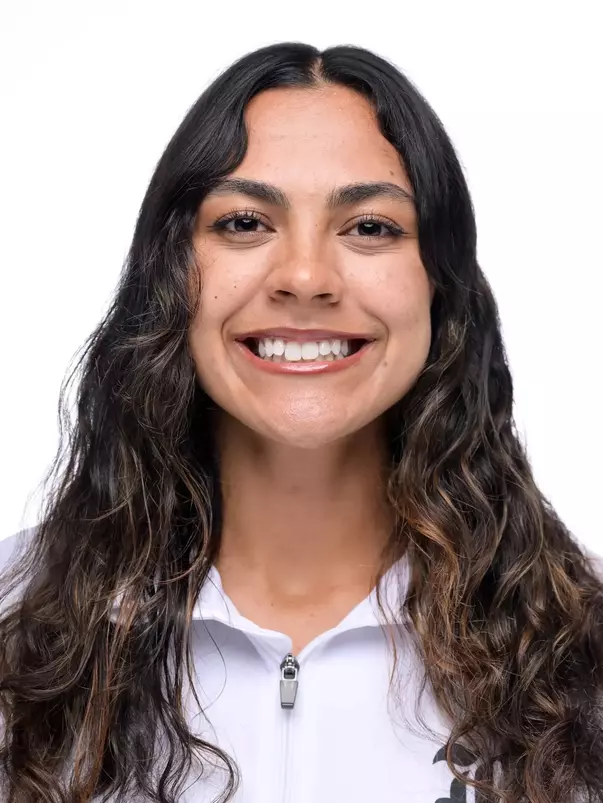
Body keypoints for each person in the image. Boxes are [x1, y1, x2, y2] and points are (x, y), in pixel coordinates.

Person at [1, 41, 602, 803]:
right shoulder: (12, 624)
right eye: (246, 221)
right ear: (169, 275)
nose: (306, 277)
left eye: (371, 227)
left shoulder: (584, 656)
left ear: (440, 287)